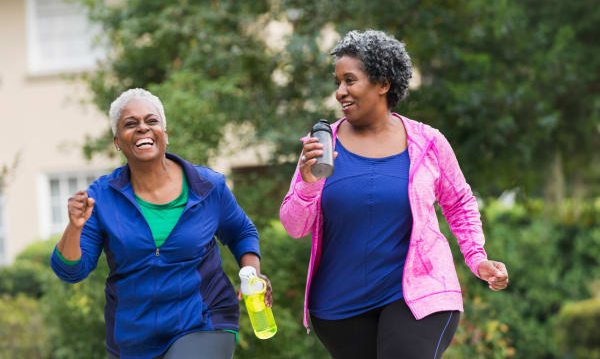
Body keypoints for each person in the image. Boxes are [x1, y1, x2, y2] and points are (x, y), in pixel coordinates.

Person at [279, 30, 508, 359]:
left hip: (417, 296)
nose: (339, 92)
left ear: (383, 84)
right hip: (339, 307)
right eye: (337, 82)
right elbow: (294, 226)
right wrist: (307, 182)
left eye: (350, 81)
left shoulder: (428, 143)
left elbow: (459, 204)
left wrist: (477, 257)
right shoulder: (321, 144)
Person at [50, 88, 272, 359]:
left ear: (164, 133)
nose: (143, 128)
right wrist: (74, 227)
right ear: (117, 141)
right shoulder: (101, 198)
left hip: (203, 320)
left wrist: (252, 272)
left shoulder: (206, 186)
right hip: (131, 338)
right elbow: (72, 271)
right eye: (130, 124)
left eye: (151, 121)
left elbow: (241, 232)